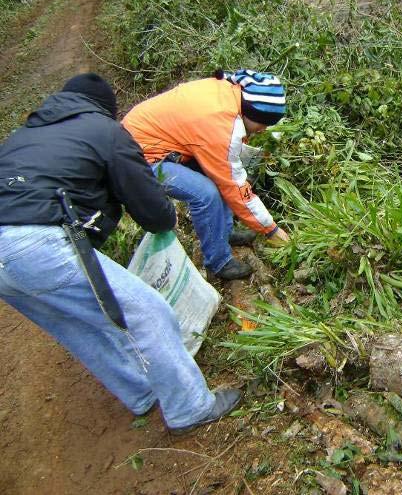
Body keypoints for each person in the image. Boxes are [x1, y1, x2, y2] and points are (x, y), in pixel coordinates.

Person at [0, 73, 240, 434]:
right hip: (36, 245)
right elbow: (152, 209)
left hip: (10, 258)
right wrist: (165, 220)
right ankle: (189, 406)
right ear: (106, 109)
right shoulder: (106, 131)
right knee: (147, 312)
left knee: (74, 324)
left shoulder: (23, 138)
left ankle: (140, 391)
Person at [122, 69, 291, 281]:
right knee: (206, 194)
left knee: (220, 177)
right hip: (138, 157)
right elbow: (233, 185)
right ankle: (219, 262)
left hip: (158, 141)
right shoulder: (218, 123)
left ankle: (224, 232)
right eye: (264, 123)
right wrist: (271, 230)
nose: (264, 130)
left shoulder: (230, 95)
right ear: (253, 113)